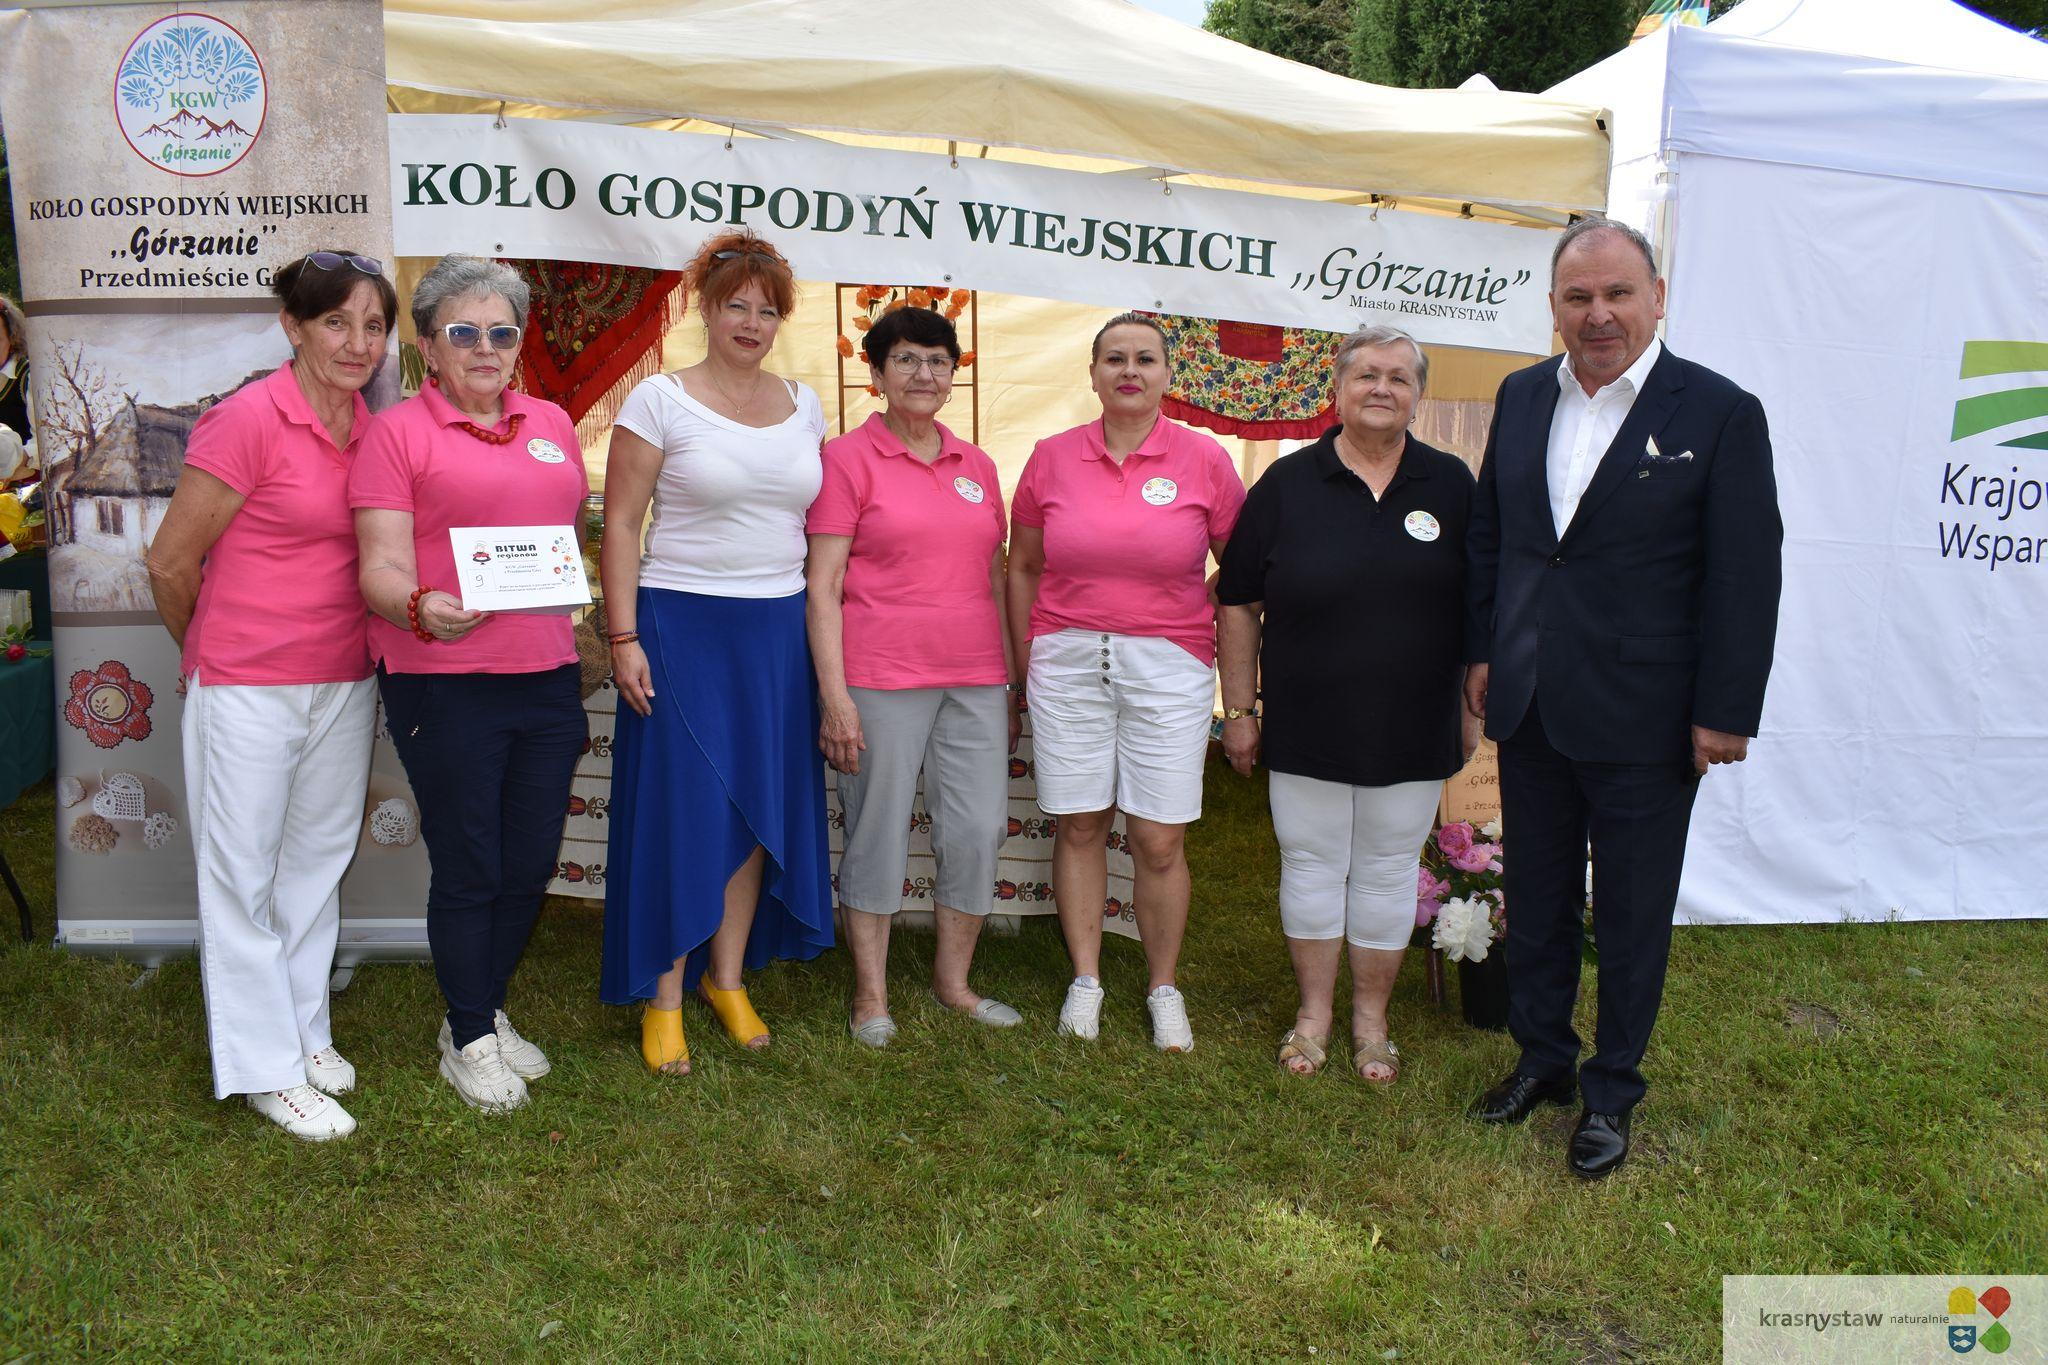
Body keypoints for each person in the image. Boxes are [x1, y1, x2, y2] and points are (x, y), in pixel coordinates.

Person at [1463, 218, 1781, 1178]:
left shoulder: (1718, 412)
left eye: (1617, 294)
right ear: (1554, 307)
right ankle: (1543, 1059)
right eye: (1578, 297)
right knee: (1538, 894)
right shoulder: (1524, 394)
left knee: (1633, 911)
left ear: (1658, 297)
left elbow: (1744, 574)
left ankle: (1611, 1092)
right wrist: (1484, 648)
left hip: (1649, 711)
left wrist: (1725, 710)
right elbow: (1494, 535)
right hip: (1531, 698)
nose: (1598, 314)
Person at [146, 250, 398, 1140]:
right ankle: (262, 1068)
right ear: (292, 327)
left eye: (373, 326)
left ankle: (304, 1029)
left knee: (316, 864)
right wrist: (211, 656)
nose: (357, 343)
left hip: (343, 676)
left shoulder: (373, 429)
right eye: (336, 322)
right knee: (241, 875)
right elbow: (169, 562)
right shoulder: (246, 419)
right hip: (248, 683)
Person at [350, 255, 589, 1114]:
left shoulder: (553, 423)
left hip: (546, 674)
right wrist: (419, 605)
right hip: (442, 677)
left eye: (502, 332)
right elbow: (378, 565)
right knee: (470, 861)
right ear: (428, 345)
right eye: (464, 332)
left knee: (527, 861)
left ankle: (479, 1009)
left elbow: (563, 535)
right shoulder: (395, 434)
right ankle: (470, 1033)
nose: (486, 348)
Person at [599, 231, 833, 1075]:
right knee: (683, 808)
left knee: (756, 808)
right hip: (680, 625)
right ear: (705, 307)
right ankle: (664, 994)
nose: (751, 322)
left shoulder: (806, 404)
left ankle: (725, 979)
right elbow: (620, 524)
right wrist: (622, 634)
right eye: (736, 304)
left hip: (775, 633)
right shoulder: (658, 401)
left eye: (767, 310)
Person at [1217, 325, 1477, 1084]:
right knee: (1311, 861)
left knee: (1389, 868)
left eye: (1399, 377)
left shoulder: (1452, 484)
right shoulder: (1286, 484)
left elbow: (1481, 602)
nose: (1381, 389)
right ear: (1336, 389)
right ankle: (1313, 1016)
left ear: (1419, 394)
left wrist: (1471, 706)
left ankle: (1371, 1021)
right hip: (1309, 718)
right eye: (1366, 375)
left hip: (1415, 717)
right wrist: (1240, 711)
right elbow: (1238, 602)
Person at [1007, 312, 1245, 1052]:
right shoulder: (1051, 457)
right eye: (1115, 358)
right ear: (1093, 374)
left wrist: (1191, 607)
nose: (1130, 371)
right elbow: (1023, 566)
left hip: (1169, 665)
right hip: (1068, 659)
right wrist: (1027, 660)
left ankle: (1162, 987)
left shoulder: (1204, 459)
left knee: (1158, 837)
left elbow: (1242, 566)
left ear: (1169, 374)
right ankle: (1086, 979)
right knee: (1080, 823)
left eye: (1145, 358)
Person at [806, 306, 1022, 1048]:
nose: (923, 374)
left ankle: (953, 982)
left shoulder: (978, 465)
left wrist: (1009, 682)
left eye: (937, 361)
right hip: (880, 675)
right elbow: (823, 585)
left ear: (953, 373)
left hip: (975, 677)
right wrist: (835, 697)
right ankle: (870, 994)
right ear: (876, 373)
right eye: (905, 359)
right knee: (877, 829)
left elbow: (995, 579)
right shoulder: (847, 459)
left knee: (978, 829)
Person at [0, 296, 34, 474]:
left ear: (12, 339)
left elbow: (45, 444)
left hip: (25, 485)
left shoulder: (30, 378)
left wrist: (16, 463)